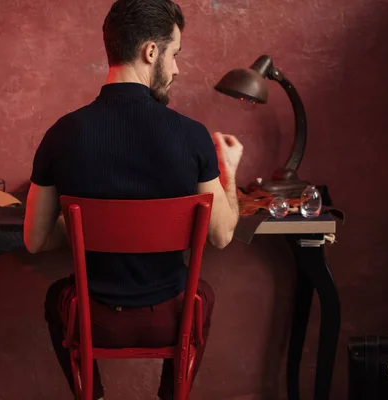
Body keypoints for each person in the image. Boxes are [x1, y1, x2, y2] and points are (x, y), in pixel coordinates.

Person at [23, 0, 243, 398]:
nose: (176, 68)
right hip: (170, 319)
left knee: (58, 297)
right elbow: (223, 234)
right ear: (151, 51)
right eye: (175, 54)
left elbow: (35, 240)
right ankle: (170, 394)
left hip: (95, 321)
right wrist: (228, 169)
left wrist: (76, 223)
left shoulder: (62, 134)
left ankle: (95, 395)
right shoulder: (192, 136)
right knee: (201, 296)